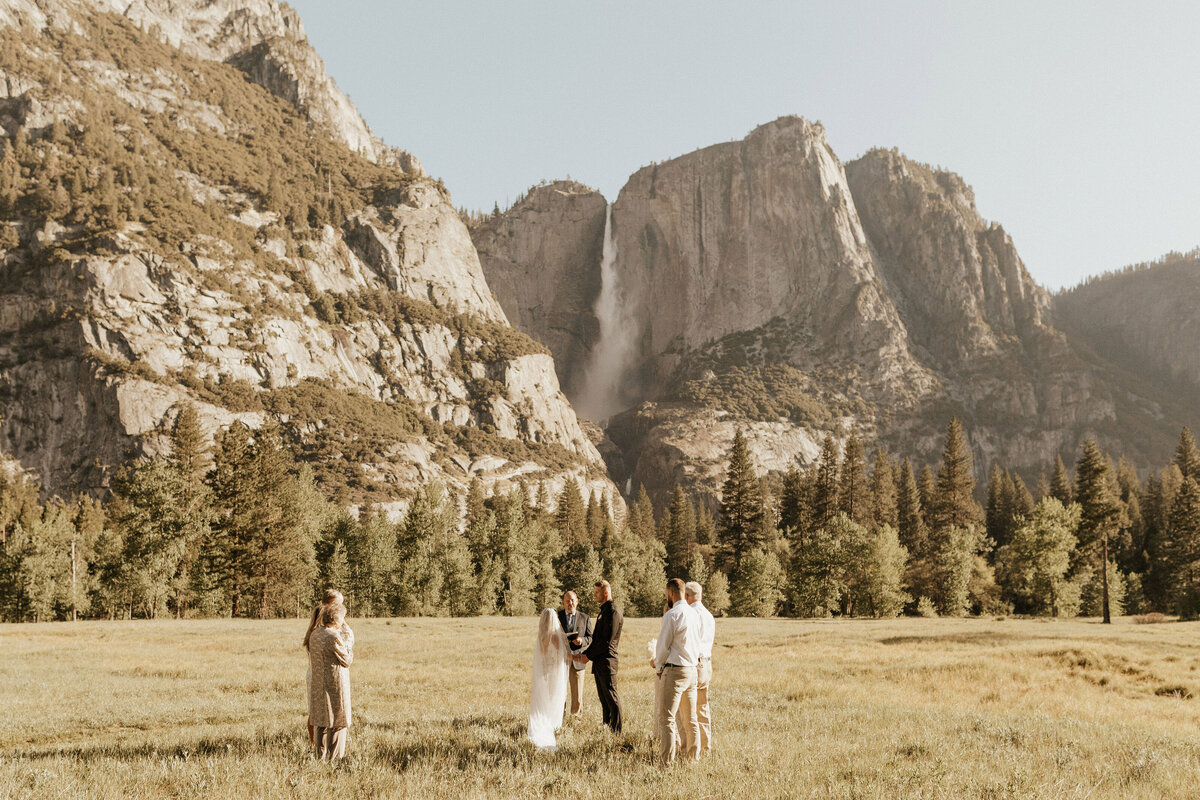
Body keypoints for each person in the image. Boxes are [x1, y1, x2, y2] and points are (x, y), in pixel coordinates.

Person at [652, 578, 700, 765]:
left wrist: (658, 666)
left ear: (671, 593)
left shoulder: (672, 615)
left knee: (667, 719)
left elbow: (663, 646)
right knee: (691, 719)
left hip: (675, 671)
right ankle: (692, 759)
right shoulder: (694, 614)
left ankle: (666, 763)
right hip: (692, 670)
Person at [303, 589, 353, 744]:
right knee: (318, 711)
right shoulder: (325, 623)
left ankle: (321, 746)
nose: (342, 606)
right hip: (322, 670)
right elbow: (345, 646)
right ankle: (317, 745)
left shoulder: (323, 623)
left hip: (322, 669)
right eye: (338, 603)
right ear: (329, 604)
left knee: (322, 709)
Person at [573, 579, 623, 733]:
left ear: (606, 593)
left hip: (608, 662)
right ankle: (606, 729)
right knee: (604, 700)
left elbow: (606, 642)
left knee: (611, 698)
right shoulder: (603, 611)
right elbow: (596, 640)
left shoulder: (613, 612)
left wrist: (588, 657)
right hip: (599, 662)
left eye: (597, 592)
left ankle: (617, 732)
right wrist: (585, 654)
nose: (594, 595)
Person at [528, 608, 571, 751]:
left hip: (543, 673)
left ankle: (543, 722)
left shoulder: (541, 636)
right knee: (553, 699)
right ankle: (551, 725)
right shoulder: (554, 637)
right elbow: (560, 656)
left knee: (542, 701)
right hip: (553, 673)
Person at [685, 580, 715, 754]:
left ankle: (691, 749)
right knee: (703, 708)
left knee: (689, 711)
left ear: (687, 597)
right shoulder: (708, 615)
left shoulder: (691, 614)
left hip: (695, 664)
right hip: (707, 663)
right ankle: (705, 747)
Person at [557, 590, 593, 718]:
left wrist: (582, 641)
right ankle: (559, 718)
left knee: (577, 694)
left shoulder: (585, 617)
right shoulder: (557, 616)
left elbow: (590, 637)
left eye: (572, 600)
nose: (570, 603)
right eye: (567, 601)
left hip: (578, 659)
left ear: (577, 601)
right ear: (563, 602)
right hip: (560, 660)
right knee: (559, 692)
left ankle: (576, 719)